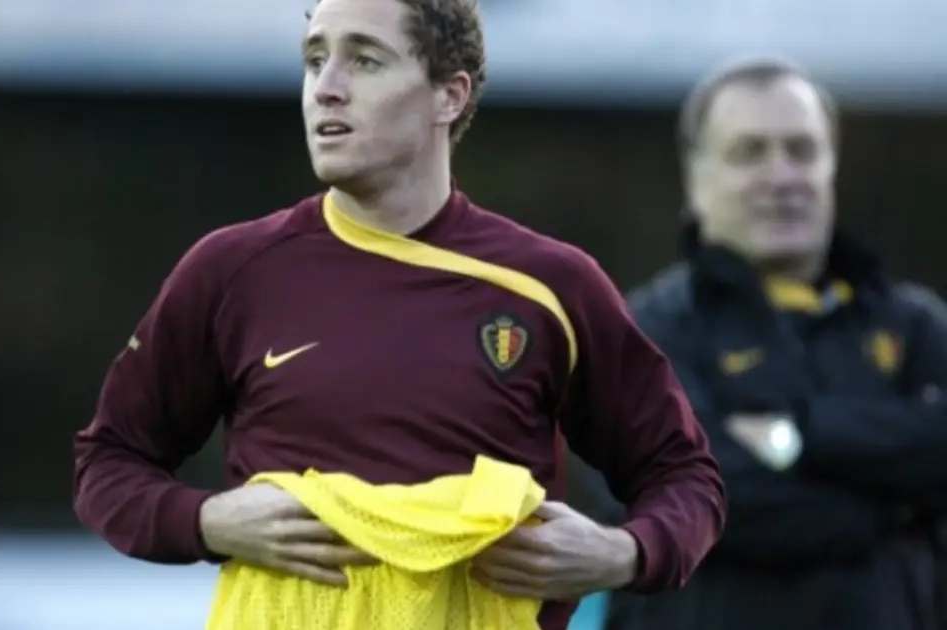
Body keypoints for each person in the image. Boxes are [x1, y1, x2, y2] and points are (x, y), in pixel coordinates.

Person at [72, 0, 726, 627]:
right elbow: (109, 463)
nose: (326, 88)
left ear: (449, 96)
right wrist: (206, 521)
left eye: (365, 60)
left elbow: (685, 476)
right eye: (315, 60)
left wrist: (622, 553)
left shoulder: (551, 286)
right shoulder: (232, 271)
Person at [592, 57, 947, 630]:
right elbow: (707, 501)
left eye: (802, 150)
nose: (781, 176)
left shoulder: (916, 326)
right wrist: (897, 502)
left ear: (831, 166)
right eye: (749, 153)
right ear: (696, 180)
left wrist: (803, 435)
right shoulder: (645, 332)